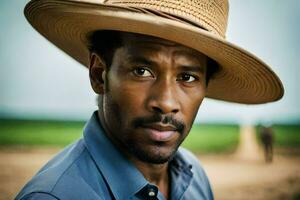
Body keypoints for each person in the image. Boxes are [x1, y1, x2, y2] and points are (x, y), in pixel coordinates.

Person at [16, 0, 284, 199]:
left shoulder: (195, 177)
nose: (166, 102)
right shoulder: (55, 196)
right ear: (99, 74)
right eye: (142, 71)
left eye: (188, 77)